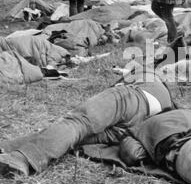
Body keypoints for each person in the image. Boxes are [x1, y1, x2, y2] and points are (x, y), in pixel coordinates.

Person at [0, 71, 175, 177]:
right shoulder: (169, 103)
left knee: (77, 123)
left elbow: (116, 87)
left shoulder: (148, 74)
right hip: (135, 126)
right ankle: (9, 147)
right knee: (78, 135)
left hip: (133, 99)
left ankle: (22, 160)